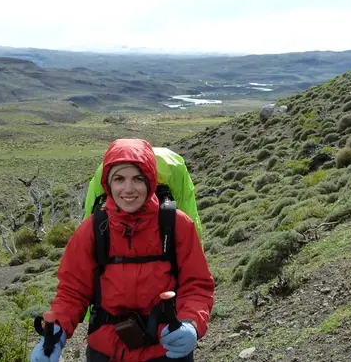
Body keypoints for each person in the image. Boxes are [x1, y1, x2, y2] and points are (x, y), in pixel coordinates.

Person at [30, 139, 215, 362]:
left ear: (151, 181)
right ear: (108, 184)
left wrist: (191, 323)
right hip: (107, 351)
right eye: (119, 179)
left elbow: (197, 285)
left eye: (138, 179)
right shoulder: (92, 229)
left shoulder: (177, 225)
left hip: (167, 347)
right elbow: (73, 291)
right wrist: (55, 334)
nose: (128, 189)